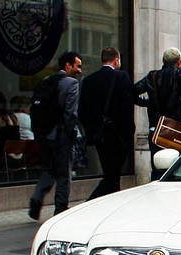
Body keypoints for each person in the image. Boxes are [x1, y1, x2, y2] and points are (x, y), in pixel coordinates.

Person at [29, 51, 82, 220]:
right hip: (61, 135)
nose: (80, 70)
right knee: (64, 173)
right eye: (77, 66)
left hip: (45, 135)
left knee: (49, 170)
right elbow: (70, 113)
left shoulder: (46, 81)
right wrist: (71, 133)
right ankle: (60, 209)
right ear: (68, 65)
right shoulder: (71, 83)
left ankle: (37, 198)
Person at [133, 47, 181, 178]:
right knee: (176, 168)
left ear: (163, 61)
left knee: (157, 167)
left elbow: (132, 92)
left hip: (157, 128)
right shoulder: (180, 75)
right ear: (179, 61)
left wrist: (146, 102)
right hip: (176, 129)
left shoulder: (152, 76)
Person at [79, 46, 134, 200]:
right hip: (117, 136)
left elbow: (82, 111)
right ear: (116, 60)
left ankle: (110, 204)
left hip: (99, 135)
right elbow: (126, 109)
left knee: (111, 175)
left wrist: (91, 131)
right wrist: (128, 132)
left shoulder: (89, 81)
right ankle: (90, 204)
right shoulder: (122, 77)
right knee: (112, 177)